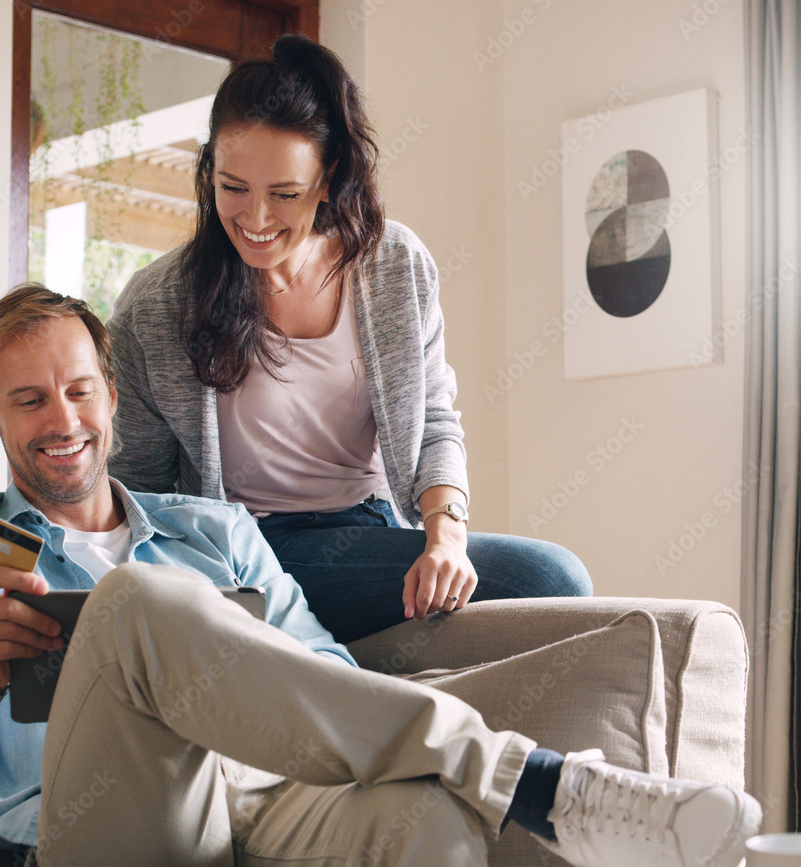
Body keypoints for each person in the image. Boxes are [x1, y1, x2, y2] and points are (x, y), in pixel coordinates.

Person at [0, 284, 759, 867]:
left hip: (265, 811)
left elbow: (326, 677)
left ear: (111, 393)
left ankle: (502, 784)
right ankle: (537, 784)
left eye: (77, 389)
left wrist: (236, 682)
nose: (61, 419)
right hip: (103, 849)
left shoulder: (216, 531)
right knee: (135, 602)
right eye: (28, 400)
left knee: (425, 818)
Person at [105, 35, 593, 644]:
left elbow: (434, 421)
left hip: (371, 527)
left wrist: (445, 540)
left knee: (555, 577)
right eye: (233, 188)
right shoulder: (157, 305)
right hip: (243, 545)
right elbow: (136, 484)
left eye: (283, 194)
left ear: (328, 178)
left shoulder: (394, 266)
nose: (255, 220)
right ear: (209, 172)